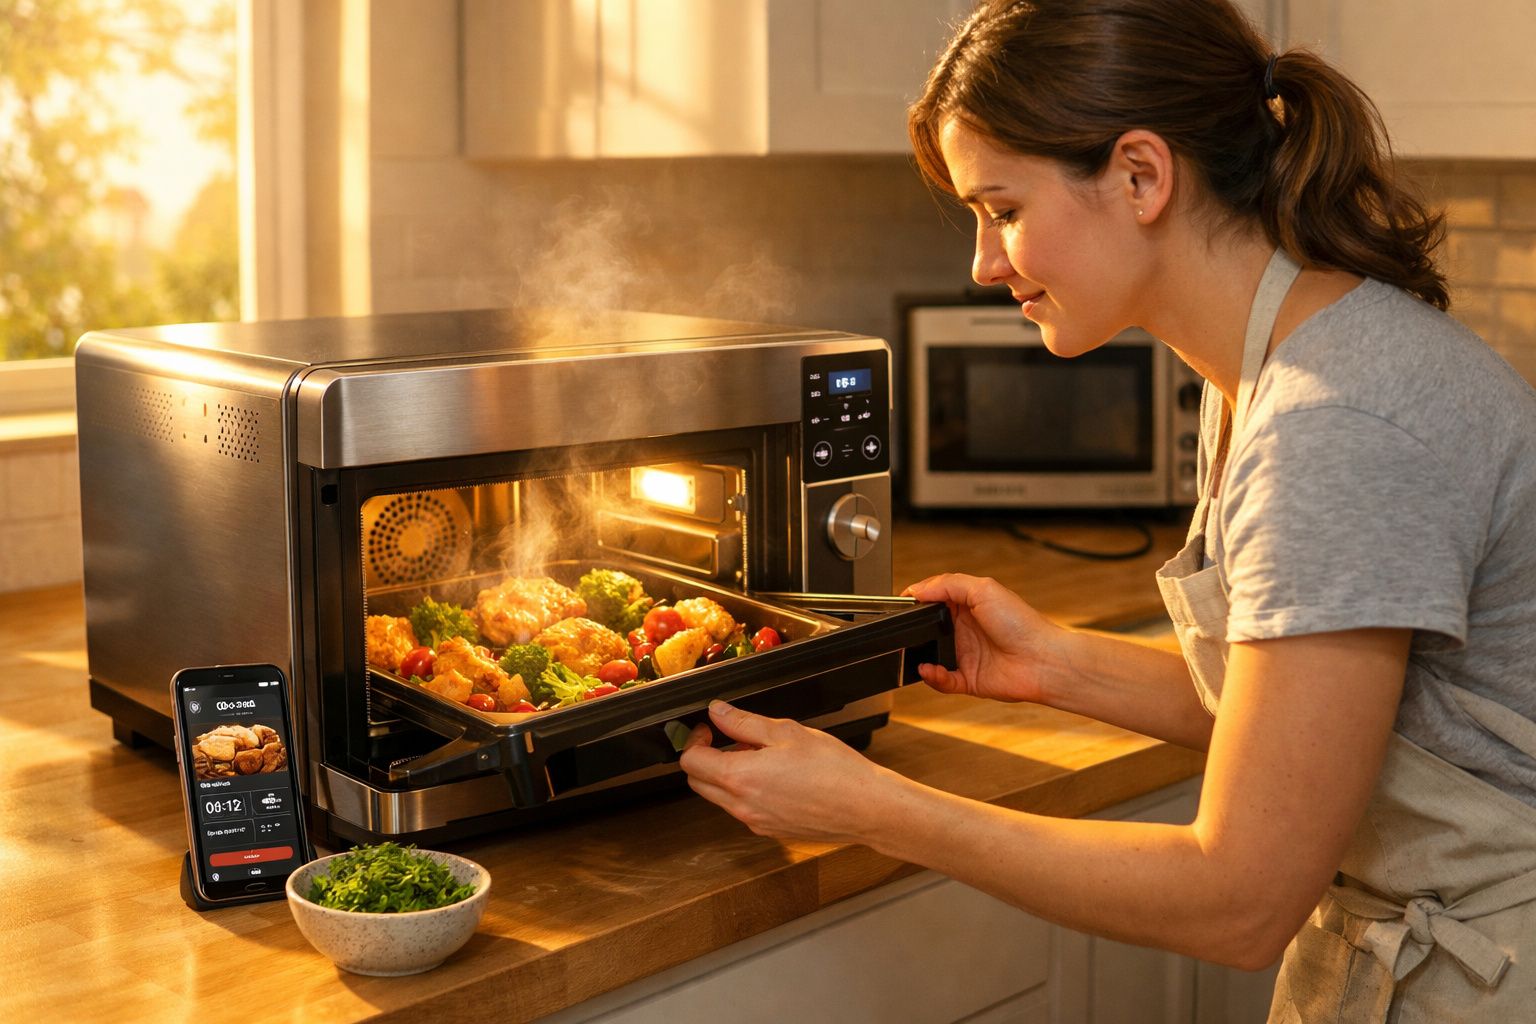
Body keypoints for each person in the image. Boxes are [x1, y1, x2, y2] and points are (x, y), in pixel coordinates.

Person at [677, 0, 1536, 1020]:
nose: (984, 263)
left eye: (1001, 209)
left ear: (1141, 175)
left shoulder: (1334, 425)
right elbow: (1320, 722)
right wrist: (1059, 663)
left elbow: (1239, 900)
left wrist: (876, 809)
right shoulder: (1269, 373)